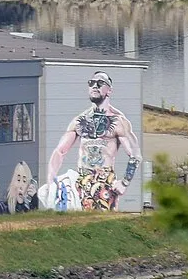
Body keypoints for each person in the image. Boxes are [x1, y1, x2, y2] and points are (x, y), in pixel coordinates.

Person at [46, 70, 142, 212]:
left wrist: (124, 182)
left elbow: (135, 154)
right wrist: (51, 181)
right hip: (82, 181)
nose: (95, 86)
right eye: (91, 83)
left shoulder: (118, 121)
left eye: (100, 83)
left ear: (109, 90)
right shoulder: (80, 121)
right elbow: (59, 151)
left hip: (105, 182)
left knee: (104, 222)